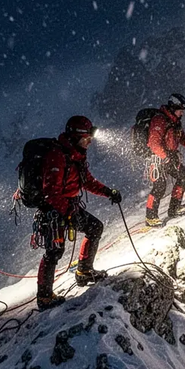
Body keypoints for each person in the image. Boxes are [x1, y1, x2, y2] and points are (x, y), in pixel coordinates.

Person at [35, 115, 123, 310]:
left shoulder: (77, 155)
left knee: (94, 228)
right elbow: (50, 193)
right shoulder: (57, 156)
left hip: (67, 207)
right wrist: (68, 212)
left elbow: (86, 181)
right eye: (86, 138)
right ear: (75, 137)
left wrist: (108, 192)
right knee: (54, 251)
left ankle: (84, 271)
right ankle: (44, 297)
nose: (89, 142)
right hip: (53, 212)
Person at [145, 94, 185, 227]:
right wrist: (165, 157)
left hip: (170, 157)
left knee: (184, 177)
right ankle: (150, 217)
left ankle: (174, 208)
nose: (182, 113)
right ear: (173, 108)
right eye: (180, 110)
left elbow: (182, 139)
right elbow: (154, 143)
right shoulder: (160, 120)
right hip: (158, 159)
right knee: (159, 186)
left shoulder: (175, 122)